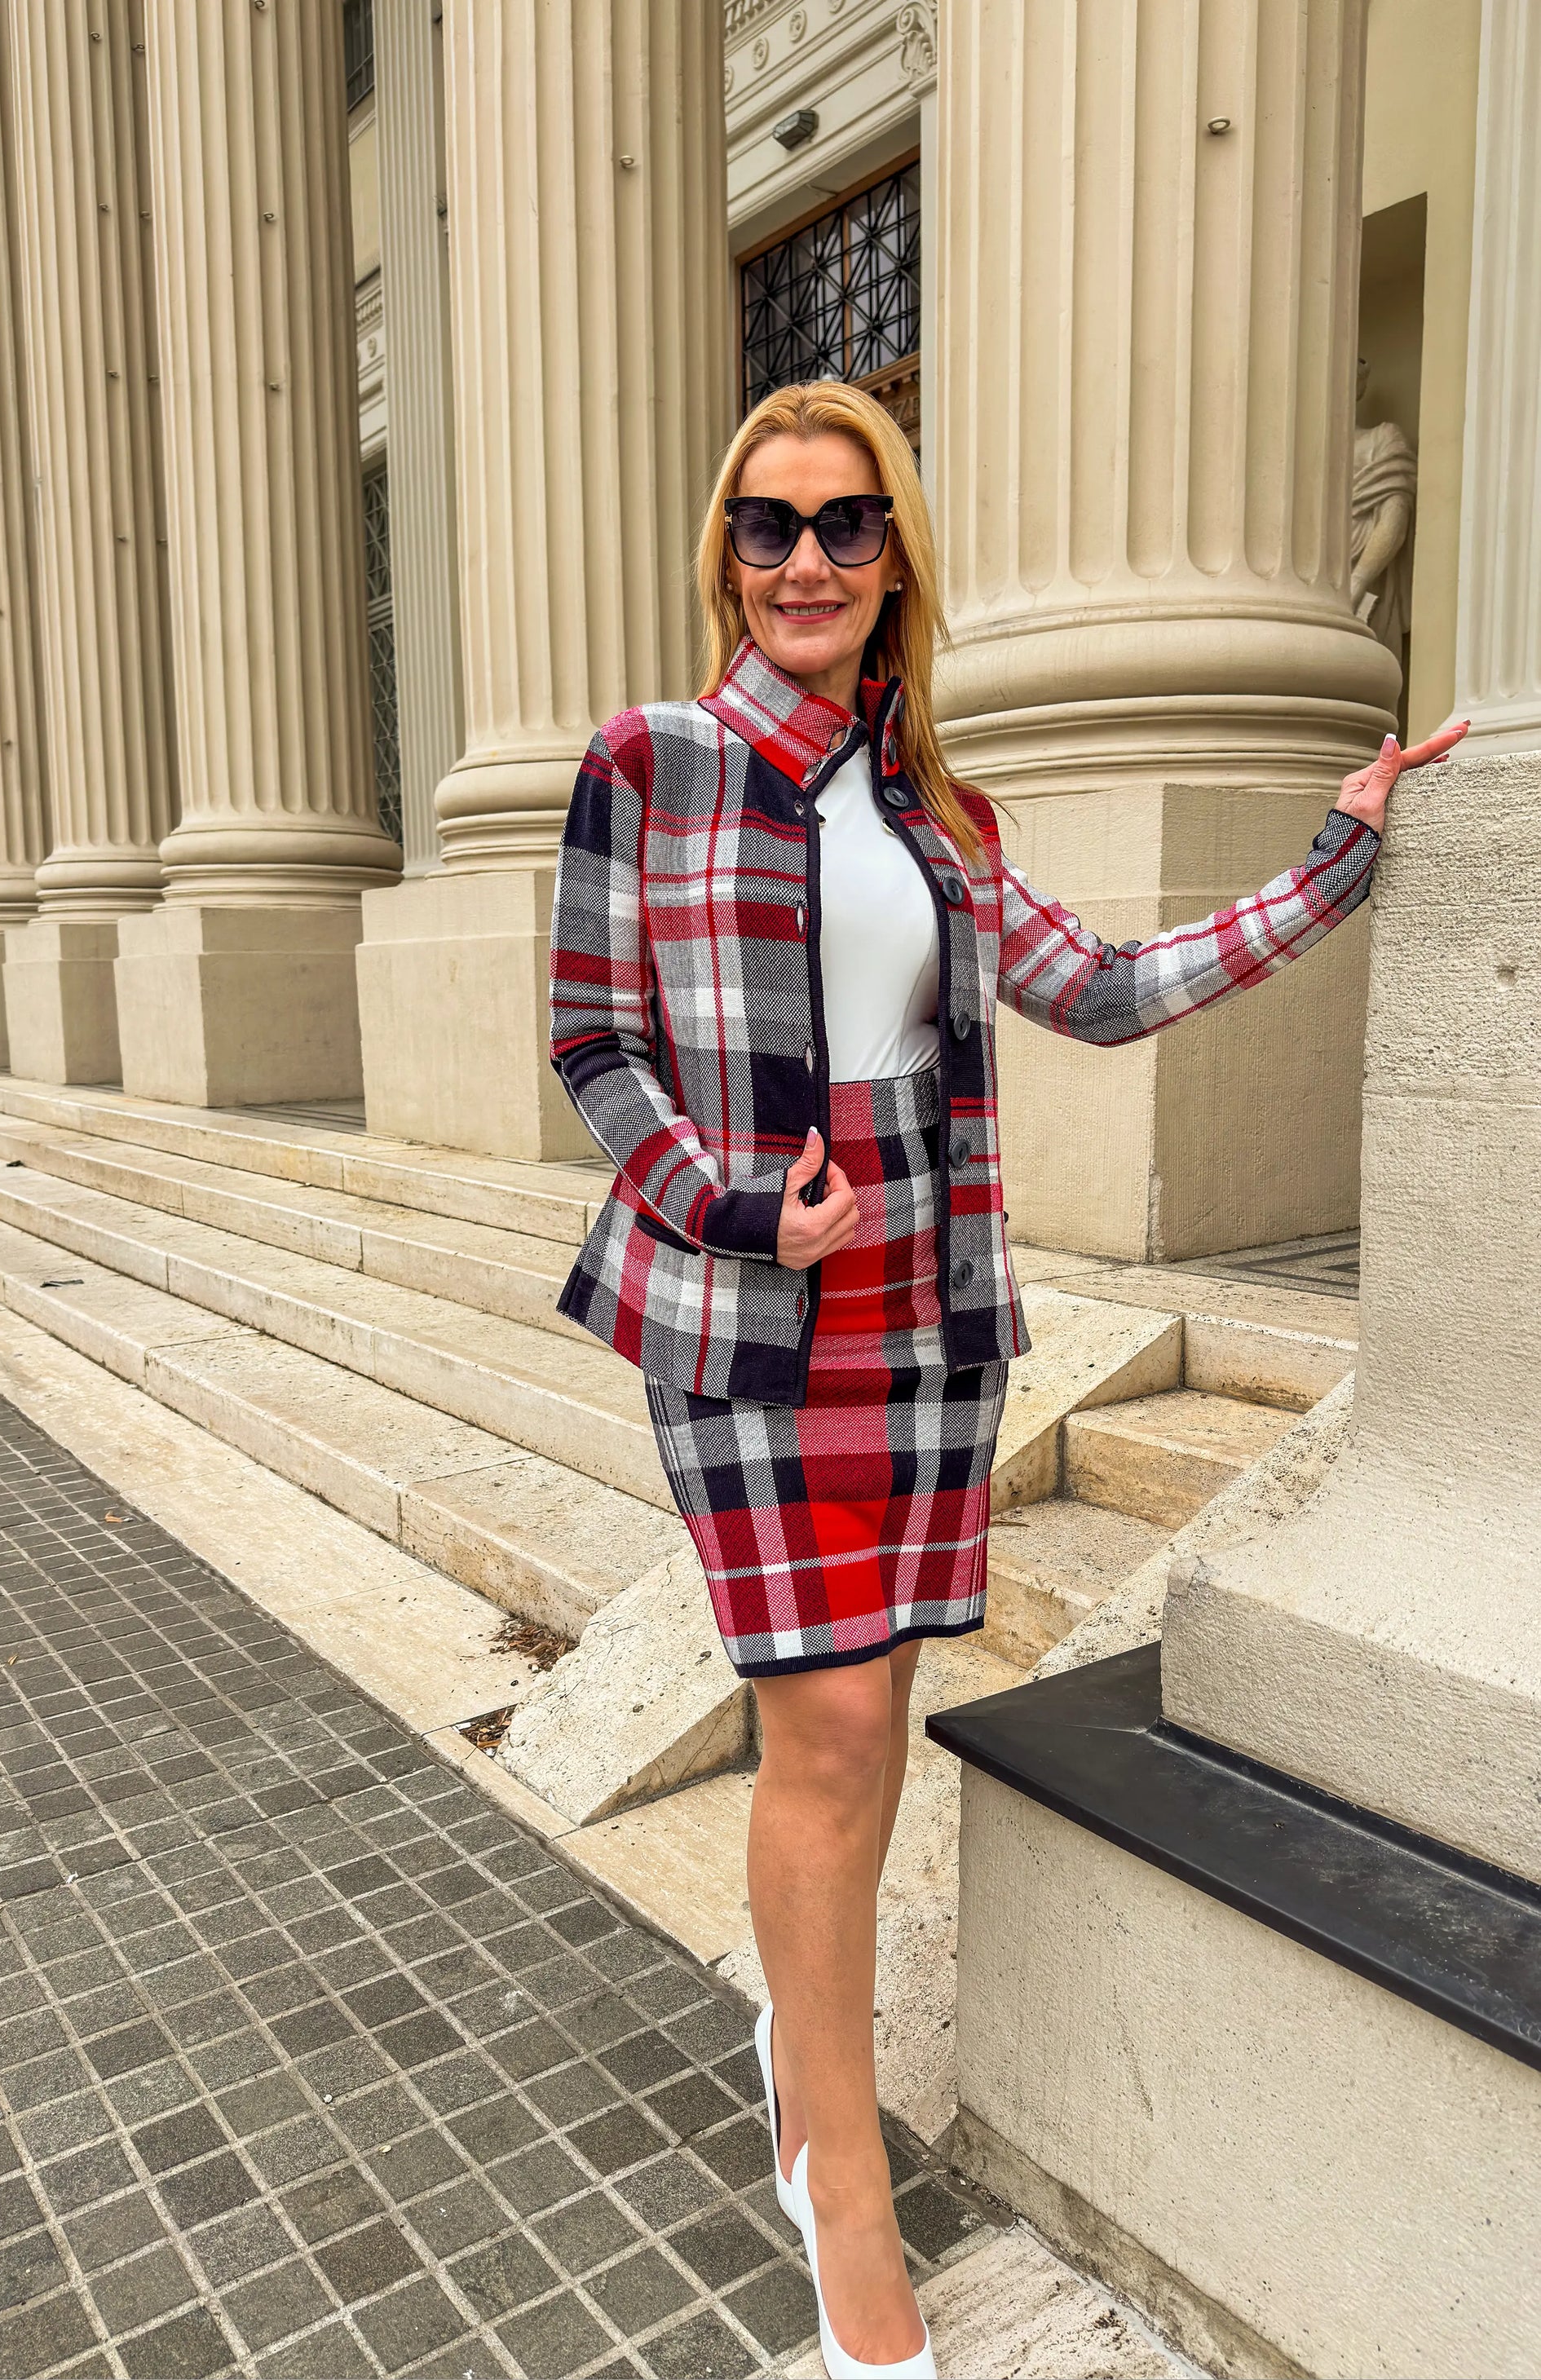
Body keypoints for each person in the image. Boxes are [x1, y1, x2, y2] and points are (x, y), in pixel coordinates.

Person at [548, 381, 1467, 2378]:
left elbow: (1110, 988)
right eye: (768, 528)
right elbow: (590, 1037)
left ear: (895, 565)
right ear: (726, 555)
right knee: (820, 1729)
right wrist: (722, 1200)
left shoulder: (949, 817)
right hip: (748, 1309)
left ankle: (800, 2058)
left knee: (870, 1726)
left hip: (922, 1315)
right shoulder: (653, 762)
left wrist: (1335, 857)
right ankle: (840, 2175)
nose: (803, 561)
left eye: (844, 527)